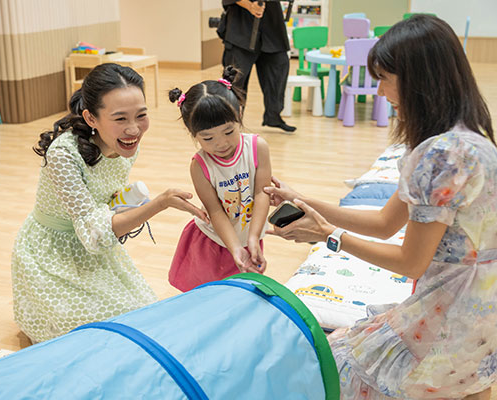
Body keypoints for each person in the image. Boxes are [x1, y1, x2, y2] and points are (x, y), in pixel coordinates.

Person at [265, 15, 496, 399]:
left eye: (385, 78)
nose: (380, 90)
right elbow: (385, 223)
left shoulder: (440, 155)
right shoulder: (471, 138)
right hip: (483, 313)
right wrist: (302, 200)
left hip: (455, 313)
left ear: (418, 80)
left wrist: (328, 236)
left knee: (339, 361)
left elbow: (411, 262)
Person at [11, 63, 207, 343]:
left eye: (141, 115)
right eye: (120, 118)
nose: (133, 129)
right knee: (91, 336)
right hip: (52, 254)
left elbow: (101, 213)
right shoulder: (63, 155)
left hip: (93, 244)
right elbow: (94, 234)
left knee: (142, 315)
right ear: (91, 118)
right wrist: (159, 204)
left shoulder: (125, 143)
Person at [167, 65, 272, 292]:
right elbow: (215, 211)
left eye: (228, 132)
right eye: (208, 138)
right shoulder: (200, 166)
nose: (221, 143)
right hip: (212, 241)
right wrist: (235, 248)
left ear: (239, 114)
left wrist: (253, 237)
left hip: (249, 236)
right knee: (206, 296)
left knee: (241, 293)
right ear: (193, 133)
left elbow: (261, 193)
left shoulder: (257, 147)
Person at [220, 0, 296, 133]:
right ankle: (231, 122)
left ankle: (273, 115)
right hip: (241, 30)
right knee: (236, 80)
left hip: (272, 29)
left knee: (279, 66)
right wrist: (250, 6)